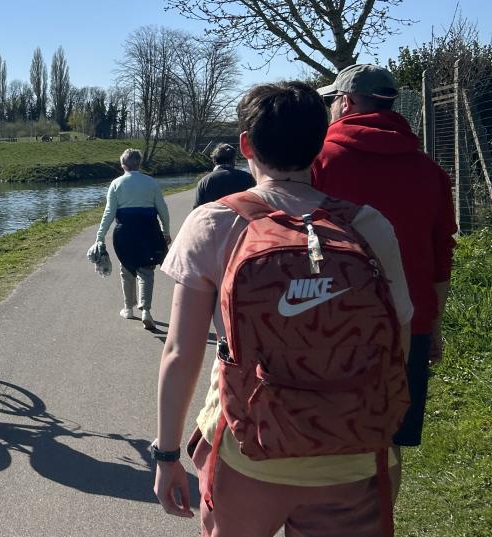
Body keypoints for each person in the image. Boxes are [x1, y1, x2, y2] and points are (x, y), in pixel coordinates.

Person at [153, 81, 414, 536]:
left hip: (248, 450)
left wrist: (167, 454)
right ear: (320, 144)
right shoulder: (369, 226)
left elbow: (180, 352)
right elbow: (400, 339)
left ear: (245, 144)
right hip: (355, 454)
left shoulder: (213, 223)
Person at [312, 64, 458, 459]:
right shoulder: (430, 171)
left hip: (331, 321)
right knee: (387, 444)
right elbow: (441, 255)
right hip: (410, 324)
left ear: (344, 102)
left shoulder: (319, 160)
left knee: (327, 441)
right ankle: (380, 521)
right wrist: (433, 324)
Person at [93, 149, 171, 330]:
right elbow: (163, 209)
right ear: (139, 164)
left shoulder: (116, 183)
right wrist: (165, 231)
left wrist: (100, 236)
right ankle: (146, 310)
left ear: (123, 165)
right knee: (146, 270)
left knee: (126, 268)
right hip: (149, 230)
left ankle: (128, 308)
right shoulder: (151, 182)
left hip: (124, 232)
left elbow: (109, 213)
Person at [193, 143, 255, 207]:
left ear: (214, 160)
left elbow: (197, 210)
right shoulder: (248, 178)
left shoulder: (204, 181)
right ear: (233, 160)